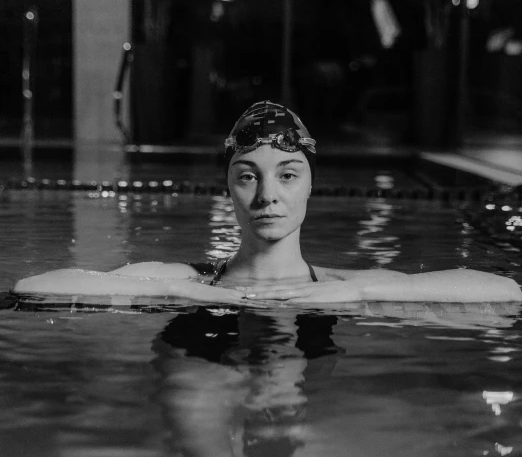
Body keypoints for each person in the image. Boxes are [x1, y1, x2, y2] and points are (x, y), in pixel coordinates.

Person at [13, 101, 522, 305]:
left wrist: (347, 295)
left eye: (288, 174)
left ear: (309, 186)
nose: (267, 196)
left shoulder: (342, 284)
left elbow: (504, 290)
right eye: (247, 176)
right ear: (228, 189)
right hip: (200, 363)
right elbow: (31, 288)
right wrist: (193, 296)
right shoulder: (189, 279)